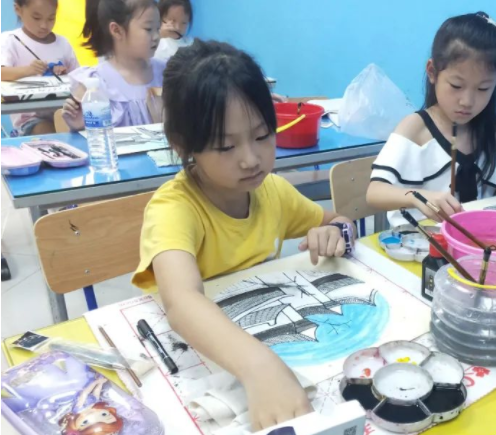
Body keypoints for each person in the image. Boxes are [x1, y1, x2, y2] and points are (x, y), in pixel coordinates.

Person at [132, 39, 355, 430]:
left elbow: (340, 219)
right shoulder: (173, 209)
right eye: (226, 146)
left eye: (262, 135)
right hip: (204, 362)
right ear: (184, 145)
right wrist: (258, 367)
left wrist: (336, 232)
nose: (251, 159)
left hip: (275, 338)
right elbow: (181, 301)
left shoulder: (273, 191)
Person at [367, 12, 496, 227]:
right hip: (420, 241)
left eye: (483, 88)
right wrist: (418, 197)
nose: (467, 101)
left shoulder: (489, 131)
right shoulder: (416, 129)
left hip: (474, 238)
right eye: (456, 86)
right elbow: (374, 192)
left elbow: (489, 198)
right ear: (432, 72)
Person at [62, 0, 164, 130]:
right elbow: (91, 135)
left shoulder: (168, 73)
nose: (156, 36)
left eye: (158, 28)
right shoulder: (96, 83)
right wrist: (78, 123)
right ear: (116, 30)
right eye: (148, 29)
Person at [0, 0, 79, 135]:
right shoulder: (10, 40)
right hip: (30, 119)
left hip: (66, 112)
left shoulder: (63, 43)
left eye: (51, 18)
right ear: (18, 9)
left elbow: (79, 78)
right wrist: (28, 70)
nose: (44, 25)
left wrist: (65, 75)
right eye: (36, 18)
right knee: (50, 134)